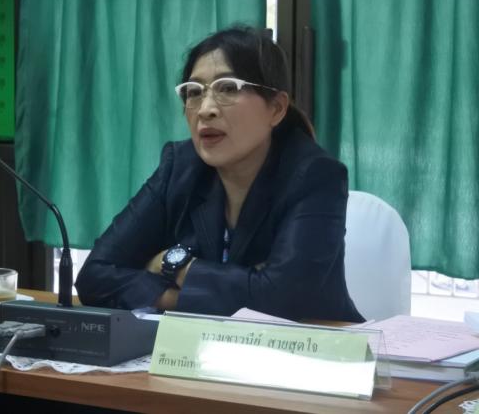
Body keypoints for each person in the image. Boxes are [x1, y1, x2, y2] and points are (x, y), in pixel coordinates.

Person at [75, 26, 364, 322]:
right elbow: (95, 276)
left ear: (276, 109)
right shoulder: (179, 168)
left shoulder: (316, 175)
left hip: (311, 344)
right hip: (203, 346)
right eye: (194, 92)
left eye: (228, 88)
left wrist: (176, 267)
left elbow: (282, 300)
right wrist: (186, 296)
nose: (205, 109)